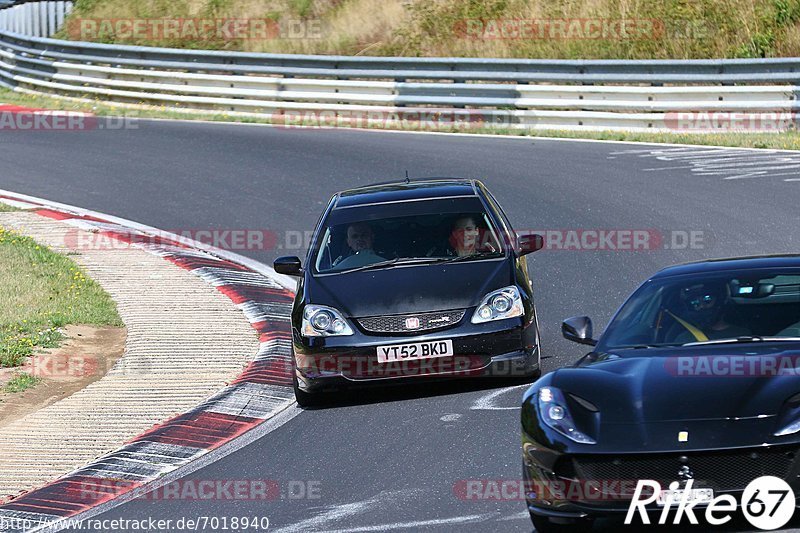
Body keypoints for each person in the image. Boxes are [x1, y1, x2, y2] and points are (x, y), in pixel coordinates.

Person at [666, 283, 751, 343]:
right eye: (695, 303)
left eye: (707, 300)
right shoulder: (683, 339)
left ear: (720, 302)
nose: (702, 306)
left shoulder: (742, 336)